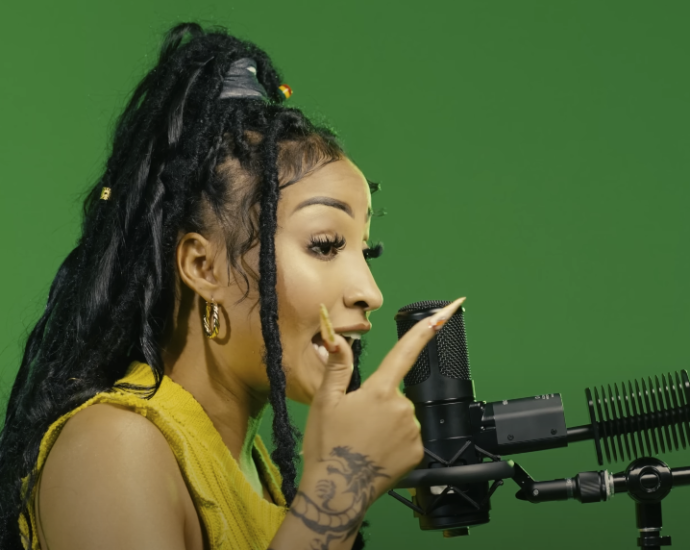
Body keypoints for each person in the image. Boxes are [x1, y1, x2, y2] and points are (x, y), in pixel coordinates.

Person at [0, 23, 465, 550]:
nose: (369, 291)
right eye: (326, 244)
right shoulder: (113, 446)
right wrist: (342, 492)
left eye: (366, 251)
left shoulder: (261, 472)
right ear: (203, 267)